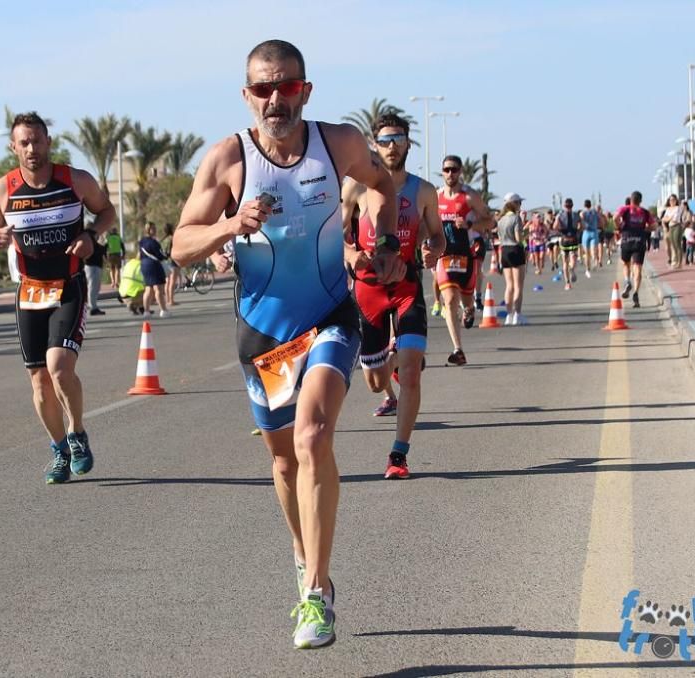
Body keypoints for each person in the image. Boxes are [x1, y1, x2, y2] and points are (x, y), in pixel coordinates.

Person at [170, 39, 404, 650]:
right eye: (266, 88)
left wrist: (381, 239)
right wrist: (229, 224)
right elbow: (180, 244)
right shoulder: (228, 159)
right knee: (281, 459)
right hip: (265, 334)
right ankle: (304, 558)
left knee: (313, 437)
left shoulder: (340, 144)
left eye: (289, 86)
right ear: (248, 96)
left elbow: (381, 188)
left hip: (329, 314)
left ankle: (318, 594)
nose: (278, 98)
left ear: (307, 89)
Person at [0, 111, 116, 484]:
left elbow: (107, 211)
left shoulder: (76, 180)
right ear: (13, 147)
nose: (32, 149)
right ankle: (59, 449)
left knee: (59, 367)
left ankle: (78, 432)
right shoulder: (3, 189)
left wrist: (91, 236)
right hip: (29, 291)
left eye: (37, 140)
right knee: (38, 381)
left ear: (49, 141)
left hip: (68, 284)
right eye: (24, 142)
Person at [341, 113, 444, 478]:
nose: (392, 146)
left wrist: (433, 250)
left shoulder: (424, 191)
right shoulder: (355, 189)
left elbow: (437, 235)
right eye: (385, 140)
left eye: (398, 139)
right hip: (368, 290)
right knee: (373, 382)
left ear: (408, 144)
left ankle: (398, 456)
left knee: (413, 372)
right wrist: (352, 256)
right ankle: (394, 364)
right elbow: (339, 238)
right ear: (374, 144)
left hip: (406, 286)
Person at [435, 155, 494, 366]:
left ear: (460, 172)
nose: (450, 174)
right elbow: (427, 225)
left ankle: (469, 310)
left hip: (466, 256)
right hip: (444, 256)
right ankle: (458, 349)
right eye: (446, 170)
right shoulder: (436, 197)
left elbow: (490, 221)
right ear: (442, 172)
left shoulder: (469, 197)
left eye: (454, 170)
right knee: (450, 300)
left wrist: (469, 226)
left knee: (466, 301)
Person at [615, 190, 654, 308]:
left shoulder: (625, 209)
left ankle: (627, 281)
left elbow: (615, 217)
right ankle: (636, 292)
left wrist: (620, 226)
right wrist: (645, 229)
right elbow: (654, 226)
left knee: (626, 264)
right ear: (641, 201)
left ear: (630, 200)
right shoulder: (645, 212)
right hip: (639, 240)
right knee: (637, 267)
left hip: (627, 239)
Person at [498, 193, 528, 325]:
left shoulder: (501, 219)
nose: (520, 206)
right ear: (514, 204)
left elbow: (499, 238)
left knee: (509, 285)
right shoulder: (516, 218)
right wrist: (526, 233)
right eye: (519, 203)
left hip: (504, 250)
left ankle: (509, 314)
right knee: (518, 286)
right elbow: (518, 238)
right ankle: (517, 314)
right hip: (515, 249)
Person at [138, 222, 170, 318]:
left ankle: (146, 311)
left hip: (144, 265)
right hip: (153, 265)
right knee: (158, 289)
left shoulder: (142, 241)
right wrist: (167, 256)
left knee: (148, 288)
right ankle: (163, 310)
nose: (155, 230)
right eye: (153, 228)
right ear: (148, 230)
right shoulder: (153, 242)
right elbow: (160, 256)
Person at [553, 198, 580, 289]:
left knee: (565, 262)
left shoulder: (560, 215)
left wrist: (561, 231)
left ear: (564, 206)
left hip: (564, 239)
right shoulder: (576, 215)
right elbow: (582, 226)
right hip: (573, 239)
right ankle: (572, 268)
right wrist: (577, 230)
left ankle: (567, 283)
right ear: (572, 205)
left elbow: (555, 227)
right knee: (573, 257)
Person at [83, 226, 108, 315]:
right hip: (91, 267)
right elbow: (97, 251)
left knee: (95, 287)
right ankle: (92, 307)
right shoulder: (90, 242)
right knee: (92, 287)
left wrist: (104, 244)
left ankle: (93, 306)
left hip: (96, 267)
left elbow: (102, 252)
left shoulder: (95, 243)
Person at [160, 223, 181, 307]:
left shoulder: (163, 240)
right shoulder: (172, 238)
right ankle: (171, 300)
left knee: (167, 281)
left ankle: (168, 299)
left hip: (165, 261)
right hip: (172, 260)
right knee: (172, 282)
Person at [580, 199, 600, 278]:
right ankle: (594, 260)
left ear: (584, 205)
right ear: (590, 205)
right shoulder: (595, 212)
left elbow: (581, 217)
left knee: (586, 253)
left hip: (586, 232)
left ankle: (587, 270)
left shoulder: (583, 212)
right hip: (594, 232)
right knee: (593, 250)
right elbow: (600, 220)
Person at [661, 194, 681, 267]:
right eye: (670, 200)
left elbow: (675, 218)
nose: (672, 201)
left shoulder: (677, 208)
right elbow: (663, 219)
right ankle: (671, 259)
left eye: (673, 200)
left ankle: (676, 261)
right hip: (668, 228)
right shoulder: (667, 209)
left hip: (676, 226)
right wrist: (669, 218)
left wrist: (668, 218)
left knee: (675, 245)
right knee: (669, 246)